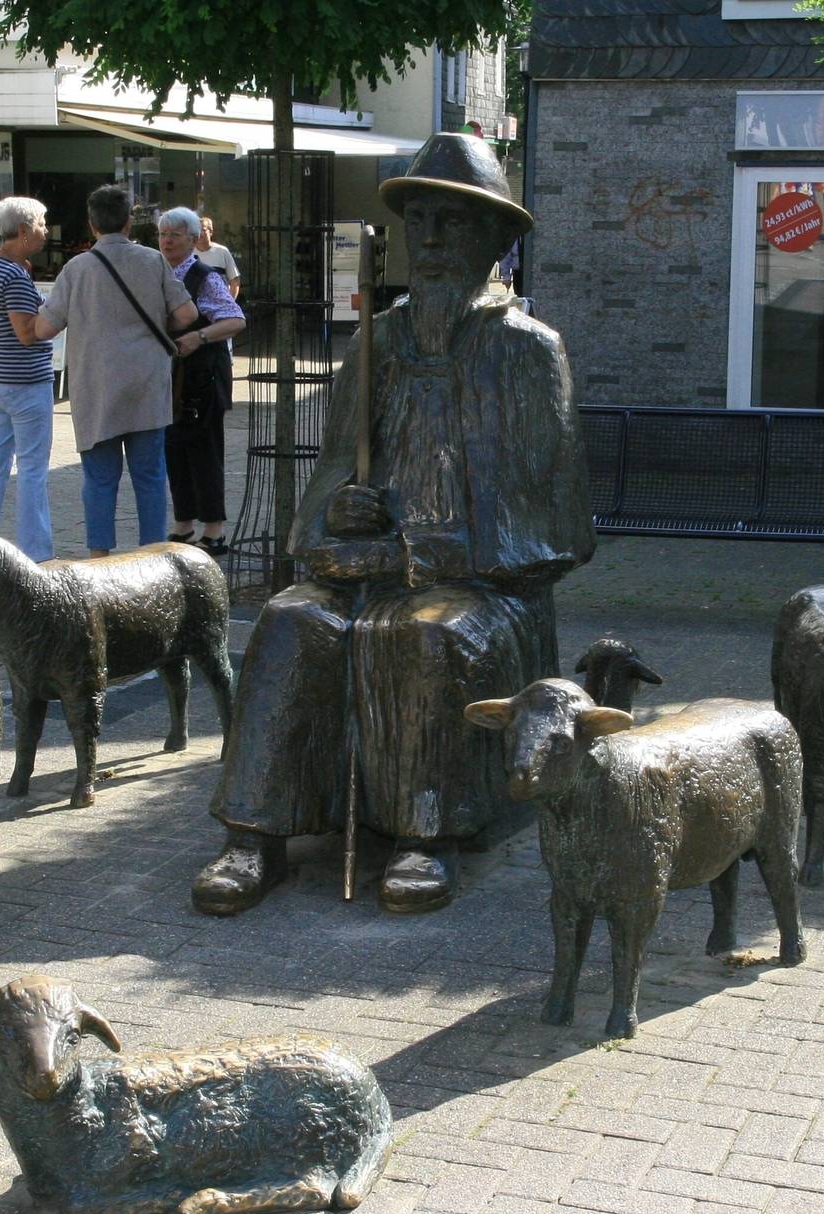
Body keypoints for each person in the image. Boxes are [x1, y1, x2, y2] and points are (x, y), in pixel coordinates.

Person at [192, 134, 593, 918]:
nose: (434, 239)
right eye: (421, 222)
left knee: (428, 635)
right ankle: (254, 833)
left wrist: (421, 550)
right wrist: (338, 509)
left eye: (453, 221)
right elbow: (335, 468)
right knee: (288, 619)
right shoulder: (376, 343)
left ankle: (425, 833)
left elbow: (558, 523)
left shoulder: (528, 353)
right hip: (365, 569)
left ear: (495, 239)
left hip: (483, 584)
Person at [35, 184, 196, 557]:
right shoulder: (153, 261)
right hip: (147, 384)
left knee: (99, 479)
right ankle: (152, 556)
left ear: (92, 225)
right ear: (128, 222)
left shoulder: (76, 269)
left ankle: (99, 559)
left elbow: (44, 329)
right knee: (151, 477)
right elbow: (187, 314)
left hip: (97, 387)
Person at [0, 196, 56, 561]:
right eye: (41, 224)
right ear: (23, 230)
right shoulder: (14, 275)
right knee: (32, 469)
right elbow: (27, 333)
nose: (45, 231)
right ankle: (37, 552)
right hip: (26, 383)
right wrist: (56, 313)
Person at [156, 207, 247, 555]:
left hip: (204, 374)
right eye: (163, 234)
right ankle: (183, 523)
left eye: (174, 235)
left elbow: (235, 320)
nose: (166, 241)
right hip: (172, 377)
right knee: (174, 447)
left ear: (193, 240)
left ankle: (214, 529)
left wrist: (200, 337)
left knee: (205, 451)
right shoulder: (158, 271)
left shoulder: (204, 276)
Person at [196, 216, 242, 298]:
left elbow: (234, 281)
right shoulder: (187, 254)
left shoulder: (222, 251)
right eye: (196, 230)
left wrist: (229, 303)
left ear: (211, 232)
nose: (199, 233)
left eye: (203, 230)